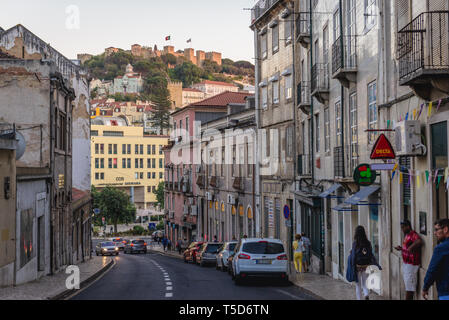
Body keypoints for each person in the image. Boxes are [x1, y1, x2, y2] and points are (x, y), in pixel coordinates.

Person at [347, 226, 382, 300]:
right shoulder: (368, 243)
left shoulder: (355, 243)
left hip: (358, 267)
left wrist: (353, 266)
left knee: (358, 285)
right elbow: (369, 254)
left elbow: (353, 256)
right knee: (365, 284)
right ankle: (366, 294)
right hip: (366, 266)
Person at [394, 220, 423, 300]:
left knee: (410, 288)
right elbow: (407, 248)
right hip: (406, 263)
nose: (402, 229)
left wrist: (411, 247)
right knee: (408, 286)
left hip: (412, 264)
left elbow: (419, 241)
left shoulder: (413, 234)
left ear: (408, 226)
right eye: (401, 228)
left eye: (403, 227)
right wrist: (401, 248)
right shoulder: (407, 235)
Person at [422, 219, 449, 300]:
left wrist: (425, 287)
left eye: (437, 229)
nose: (434, 233)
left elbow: (432, 270)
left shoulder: (440, 248)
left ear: (445, 229)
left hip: (446, 292)